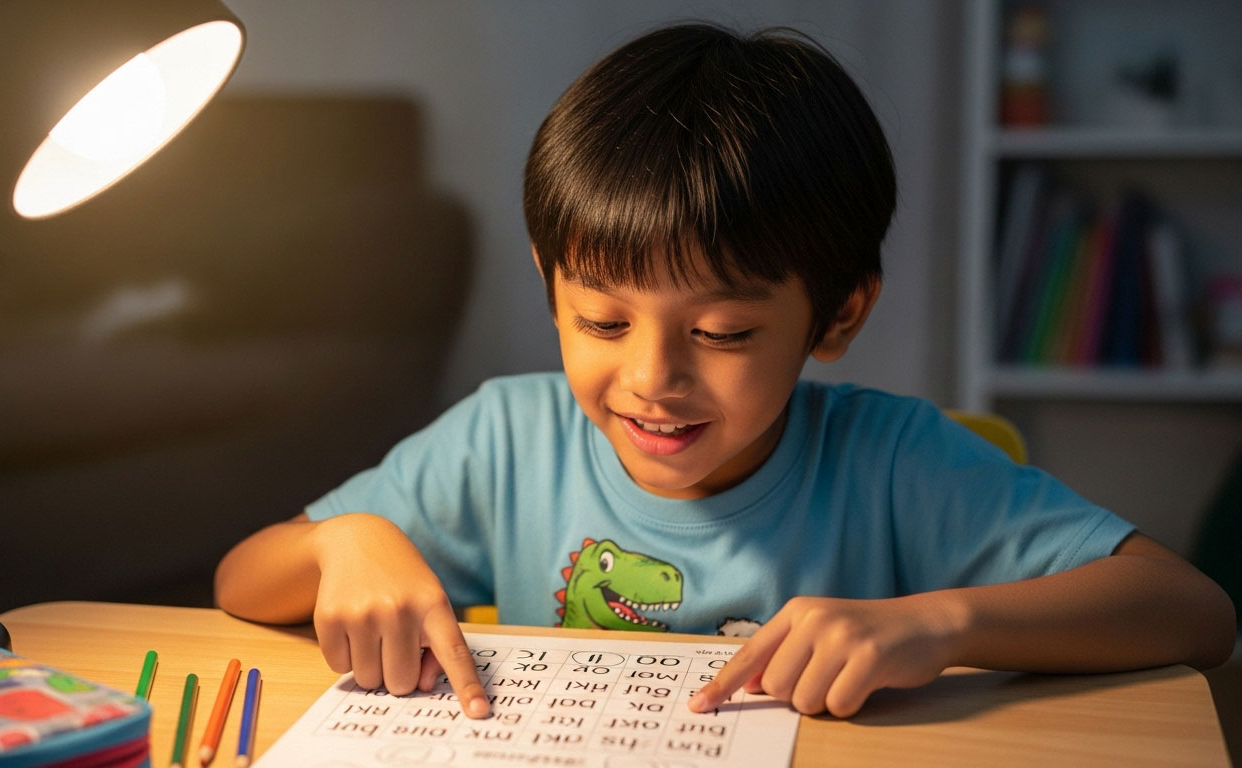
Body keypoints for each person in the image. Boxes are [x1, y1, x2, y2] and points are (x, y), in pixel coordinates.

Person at [215, 23, 1235, 721]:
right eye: (602, 320)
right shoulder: (504, 440)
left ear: (838, 315)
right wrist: (343, 542)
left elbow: (1194, 611)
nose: (651, 377)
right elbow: (239, 580)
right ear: (550, 287)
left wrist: (941, 622)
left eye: (723, 332)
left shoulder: (894, 462)